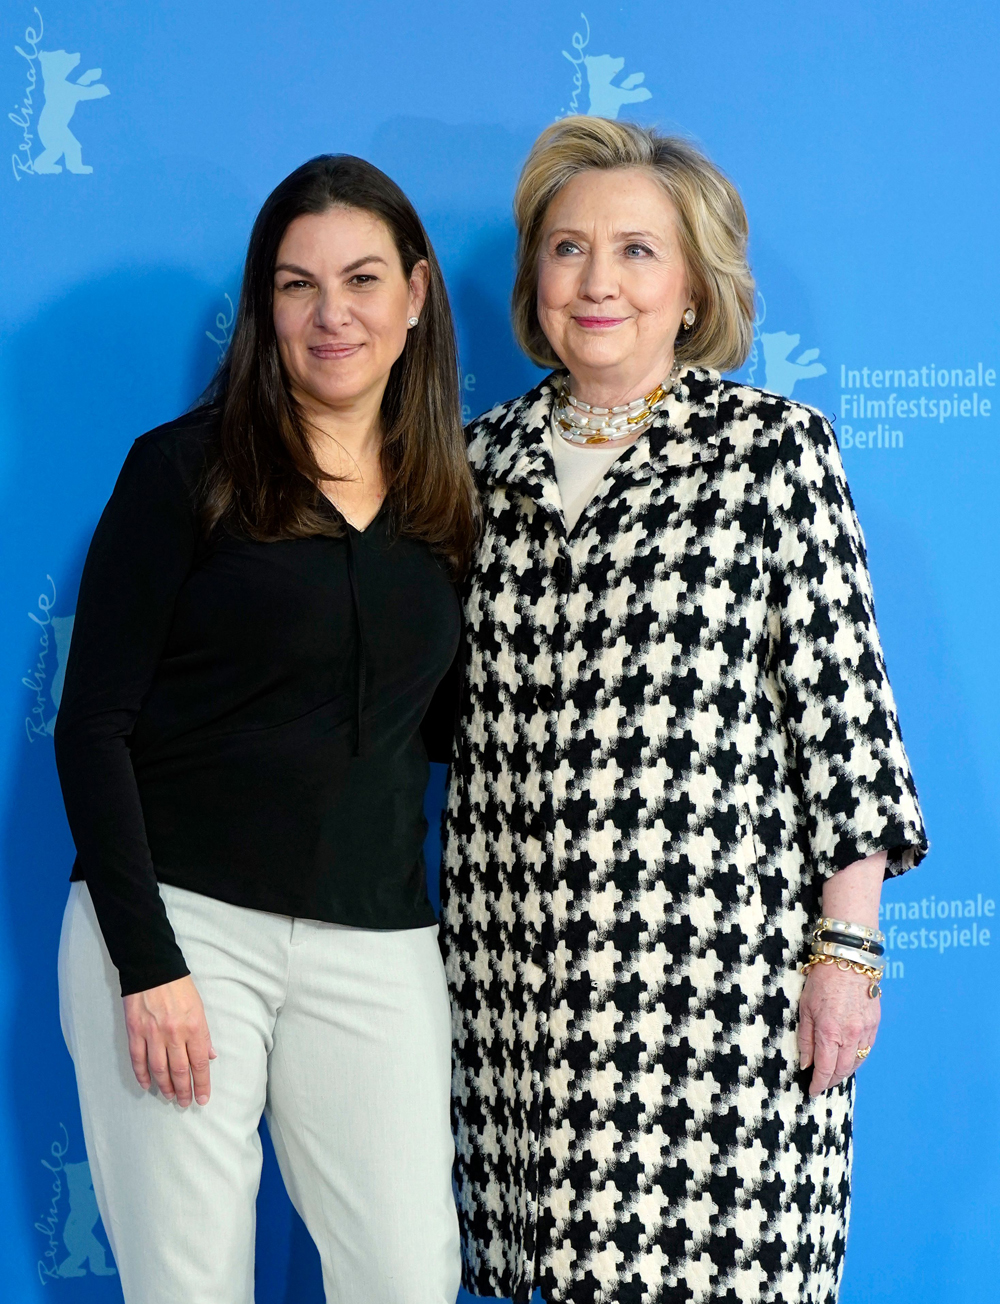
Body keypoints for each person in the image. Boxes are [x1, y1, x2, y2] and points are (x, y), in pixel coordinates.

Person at [439, 116, 927, 1304]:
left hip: (722, 988)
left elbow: (846, 729)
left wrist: (846, 955)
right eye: (566, 249)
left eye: (636, 250)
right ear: (531, 280)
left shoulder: (773, 452)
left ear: (697, 282)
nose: (597, 281)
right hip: (519, 989)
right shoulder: (464, 469)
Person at [54, 153, 477, 1304]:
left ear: (417, 295)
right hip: (180, 929)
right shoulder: (182, 470)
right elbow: (91, 727)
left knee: (407, 1274)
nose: (331, 314)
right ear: (264, 305)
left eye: (361, 279)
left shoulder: (451, 500)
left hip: (378, 943)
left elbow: (435, 729)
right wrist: (149, 966)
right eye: (296, 285)